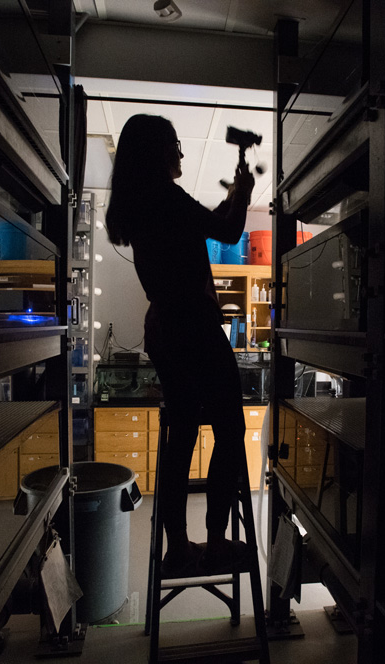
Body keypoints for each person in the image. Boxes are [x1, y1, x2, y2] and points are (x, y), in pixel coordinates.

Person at [105, 114, 255, 576]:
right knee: (229, 430)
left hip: (166, 328)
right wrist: (244, 193)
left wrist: (233, 197)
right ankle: (214, 541)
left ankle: (177, 546)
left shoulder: (143, 202)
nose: (182, 153)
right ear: (156, 151)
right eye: (174, 143)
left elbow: (214, 223)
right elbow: (228, 232)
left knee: (183, 435)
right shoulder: (166, 198)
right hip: (194, 324)